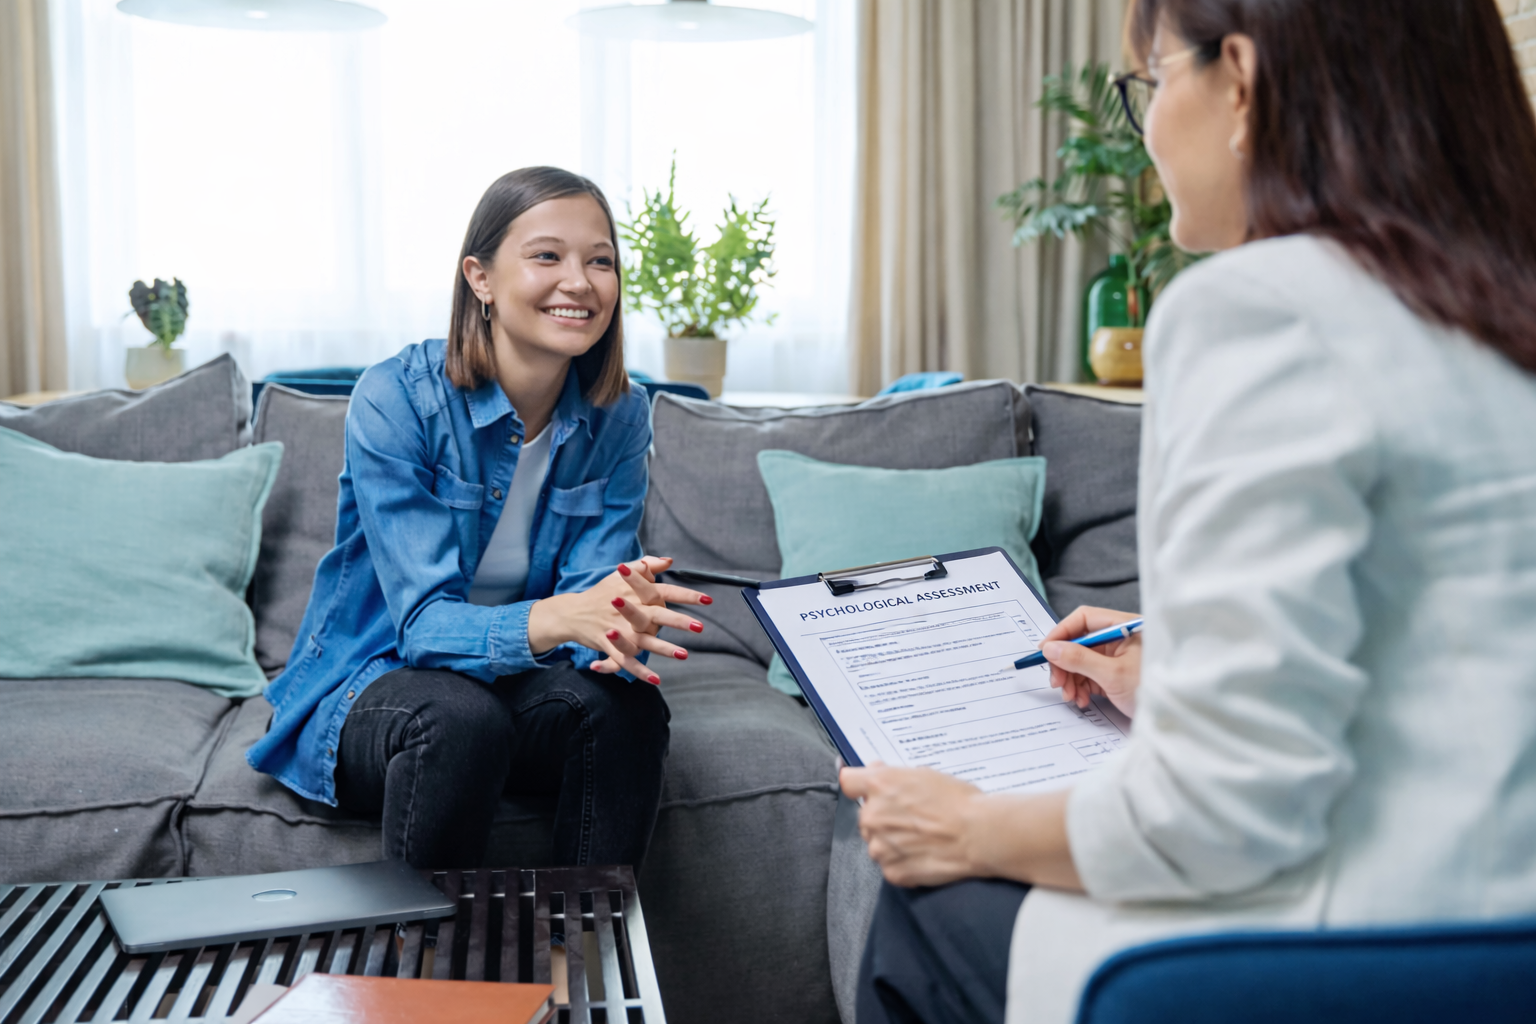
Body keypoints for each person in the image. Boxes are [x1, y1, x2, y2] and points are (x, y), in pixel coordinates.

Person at [842, 1, 1536, 1022]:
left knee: (923, 903)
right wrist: (1170, 668)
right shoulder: (1500, 303)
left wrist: (967, 826)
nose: (1151, 130)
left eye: (1154, 81)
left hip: (1377, 951)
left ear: (1240, 82)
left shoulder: (1260, 308)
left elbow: (1217, 815)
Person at [247, 167, 710, 870]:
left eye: (601, 261)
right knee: (463, 719)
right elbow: (423, 626)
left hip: (516, 687)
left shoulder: (620, 416)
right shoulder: (397, 398)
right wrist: (566, 616)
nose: (580, 282)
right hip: (380, 682)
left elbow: (594, 620)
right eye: (547, 255)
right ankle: (429, 945)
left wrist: (621, 624)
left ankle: (587, 936)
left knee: (625, 709)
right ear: (480, 277)